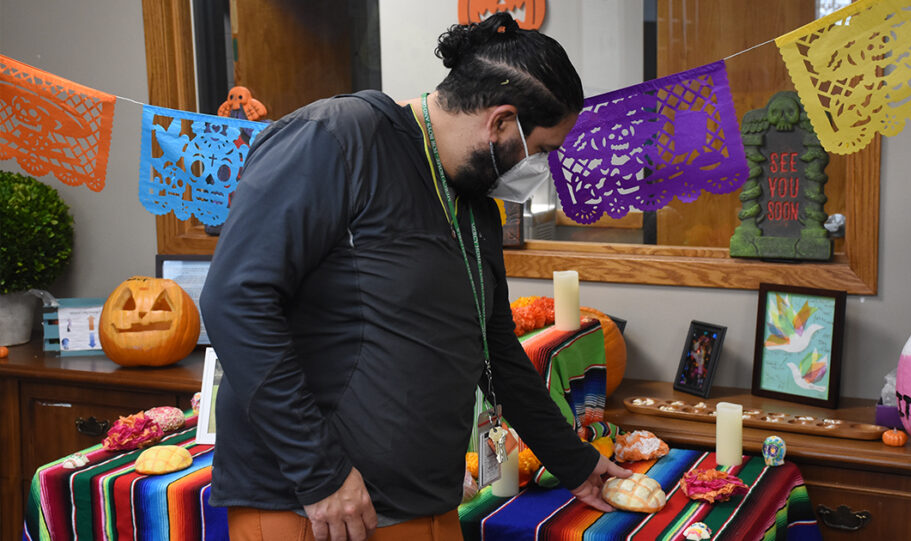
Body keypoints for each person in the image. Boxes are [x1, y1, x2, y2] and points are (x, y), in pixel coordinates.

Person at [200, 12, 630, 541]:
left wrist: (575, 461)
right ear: (500, 123)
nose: (542, 169)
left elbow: (493, 345)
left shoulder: (477, 207)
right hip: (319, 506)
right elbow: (235, 301)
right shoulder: (336, 138)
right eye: (541, 151)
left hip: (424, 498)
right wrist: (320, 473)